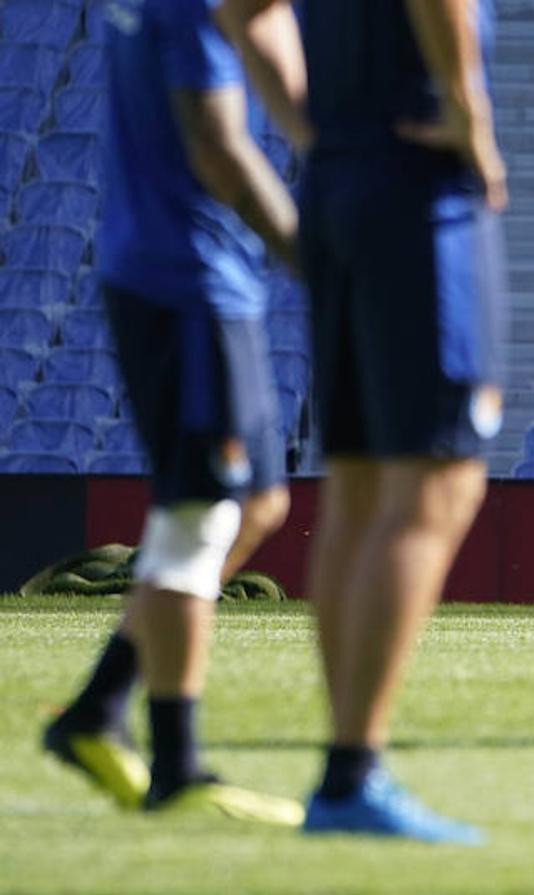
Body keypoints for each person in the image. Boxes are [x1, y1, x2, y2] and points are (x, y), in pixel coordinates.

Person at [42, 0, 308, 824]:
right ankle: (177, 769)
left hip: (192, 275)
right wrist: (318, 259)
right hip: (182, 279)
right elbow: (218, 147)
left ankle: (95, 711)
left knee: (258, 503)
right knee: (203, 513)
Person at [295, 0, 509, 844]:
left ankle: (344, 771)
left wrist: (308, 132)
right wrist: (470, 113)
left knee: (356, 486)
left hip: (338, 177)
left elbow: (244, 14)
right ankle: (353, 772)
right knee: (435, 484)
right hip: (418, 192)